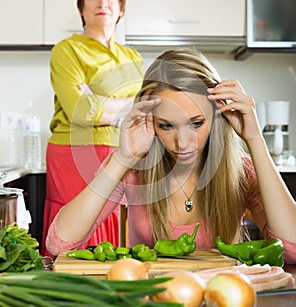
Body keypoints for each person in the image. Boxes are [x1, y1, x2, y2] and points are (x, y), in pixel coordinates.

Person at [46, 48, 296, 263]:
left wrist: (255, 140)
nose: (183, 142)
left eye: (196, 123)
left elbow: (292, 251)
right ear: (149, 119)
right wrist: (122, 157)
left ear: (218, 114)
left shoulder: (243, 172)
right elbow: (59, 245)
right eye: (166, 126)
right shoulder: (134, 170)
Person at [41, 0, 144, 256]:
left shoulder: (132, 56)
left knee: (117, 227)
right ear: (82, 8)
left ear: (121, 9)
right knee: (76, 223)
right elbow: (78, 109)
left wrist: (100, 102)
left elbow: (149, 106)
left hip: (124, 150)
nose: (102, 3)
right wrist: (130, 105)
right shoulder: (67, 50)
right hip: (74, 150)